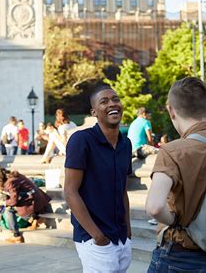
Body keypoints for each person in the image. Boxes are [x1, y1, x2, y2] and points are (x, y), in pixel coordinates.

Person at [145, 77, 206, 272]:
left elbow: (155, 207)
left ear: (171, 110)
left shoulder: (172, 151)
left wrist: (175, 221)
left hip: (179, 254)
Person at [64, 84, 132, 272]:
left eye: (115, 99)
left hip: (121, 237)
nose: (112, 104)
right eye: (104, 101)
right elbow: (70, 192)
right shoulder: (81, 140)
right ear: (94, 111)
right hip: (95, 239)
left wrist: (128, 230)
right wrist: (97, 236)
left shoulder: (126, 144)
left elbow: (122, 190)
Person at [3, 170, 52, 243]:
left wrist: (4, 202)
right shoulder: (15, 177)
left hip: (33, 202)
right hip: (38, 199)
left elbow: (14, 201)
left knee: (8, 210)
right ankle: (35, 219)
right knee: (15, 206)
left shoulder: (10, 182)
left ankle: (16, 236)